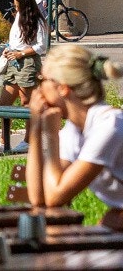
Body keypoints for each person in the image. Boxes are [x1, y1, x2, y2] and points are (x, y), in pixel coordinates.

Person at [27, 45, 123, 231]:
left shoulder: (109, 126)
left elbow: (56, 196)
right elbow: (40, 199)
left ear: (62, 88)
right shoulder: (75, 129)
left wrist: (50, 135)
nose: (37, 90)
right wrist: (36, 129)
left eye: (42, 80)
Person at [0, 0, 50, 153]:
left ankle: (28, 140)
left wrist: (21, 53)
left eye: (17, 5)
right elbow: (14, 38)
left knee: (27, 103)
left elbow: (41, 46)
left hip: (27, 62)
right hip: (13, 62)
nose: (15, 7)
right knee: (4, 103)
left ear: (25, 5)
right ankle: (3, 140)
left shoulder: (37, 21)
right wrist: (8, 49)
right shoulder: (18, 16)